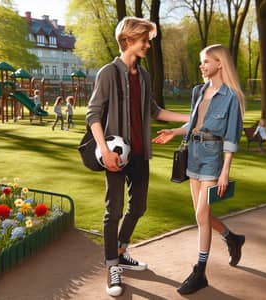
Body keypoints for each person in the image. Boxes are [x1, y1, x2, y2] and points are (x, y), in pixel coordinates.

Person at [86, 16, 188, 297]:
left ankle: (119, 250)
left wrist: (190, 117)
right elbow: (93, 114)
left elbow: (155, 111)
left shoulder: (143, 76)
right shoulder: (107, 73)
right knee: (114, 211)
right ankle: (112, 266)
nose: (148, 45)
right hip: (116, 157)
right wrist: (105, 151)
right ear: (128, 40)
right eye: (144, 40)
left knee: (139, 207)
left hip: (141, 155)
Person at [153, 44, 246, 295]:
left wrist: (225, 170)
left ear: (220, 64)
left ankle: (200, 271)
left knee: (201, 215)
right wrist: (174, 131)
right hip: (193, 155)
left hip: (213, 158)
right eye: (201, 61)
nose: (202, 65)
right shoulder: (198, 91)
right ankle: (232, 238)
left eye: (206, 61)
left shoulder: (231, 98)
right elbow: (193, 124)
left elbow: (230, 138)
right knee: (201, 215)